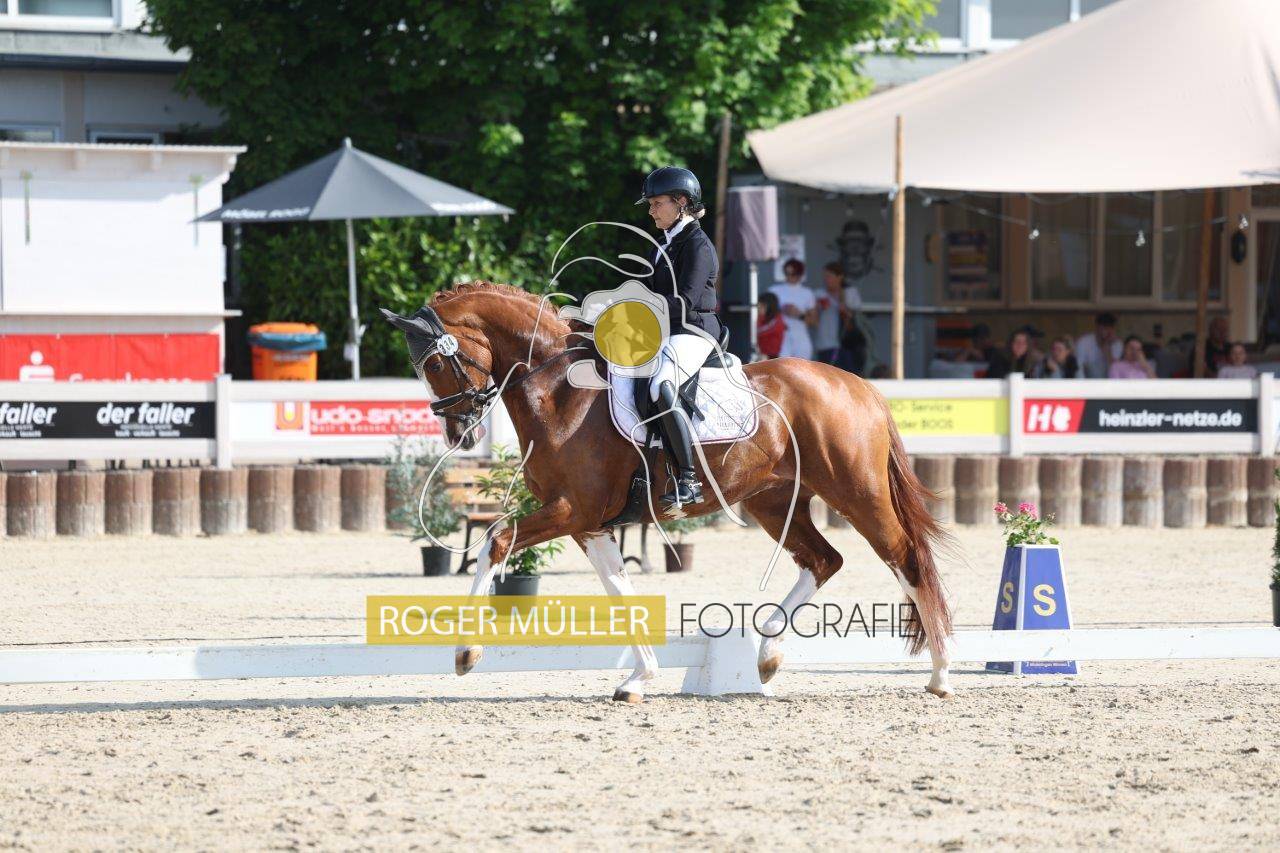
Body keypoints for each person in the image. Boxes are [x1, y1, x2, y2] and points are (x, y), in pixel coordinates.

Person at [636, 165, 721, 509]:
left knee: (661, 383)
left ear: (681, 202)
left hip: (693, 330)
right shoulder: (662, 244)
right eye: (651, 205)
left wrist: (641, 308)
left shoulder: (697, 245)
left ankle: (688, 479)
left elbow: (685, 302)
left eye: (657, 203)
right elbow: (644, 290)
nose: (652, 211)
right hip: (664, 332)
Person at [768, 258, 817, 360]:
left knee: (802, 368)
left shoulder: (807, 293)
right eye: (787, 273)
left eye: (793, 274)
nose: (789, 277)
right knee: (782, 367)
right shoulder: (774, 290)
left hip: (800, 337)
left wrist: (799, 314)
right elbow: (765, 315)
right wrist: (781, 310)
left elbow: (814, 321)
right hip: (781, 337)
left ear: (800, 275)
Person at [813, 261, 856, 368]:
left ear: (839, 277)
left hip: (847, 344)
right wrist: (817, 307)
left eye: (829, 276)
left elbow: (855, 318)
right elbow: (813, 320)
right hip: (825, 344)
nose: (826, 280)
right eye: (824, 277)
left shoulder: (850, 293)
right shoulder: (819, 294)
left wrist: (844, 308)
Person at [1076, 312, 1122, 378]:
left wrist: (1107, 347)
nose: (1106, 331)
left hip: (1109, 380)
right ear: (1097, 327)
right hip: (1088, 380)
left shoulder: (1117, 344)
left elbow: (1115, 369)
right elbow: (1079, 367)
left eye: (1110, 327)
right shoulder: (1084, 342)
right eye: (1104, 327)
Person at [757, 292, 785, 359]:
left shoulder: (777, 319)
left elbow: (759, 331)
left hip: (772, 357)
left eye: (762, 306)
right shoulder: (761, 317)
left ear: (770, 306)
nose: (759, 308)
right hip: (761, 355)